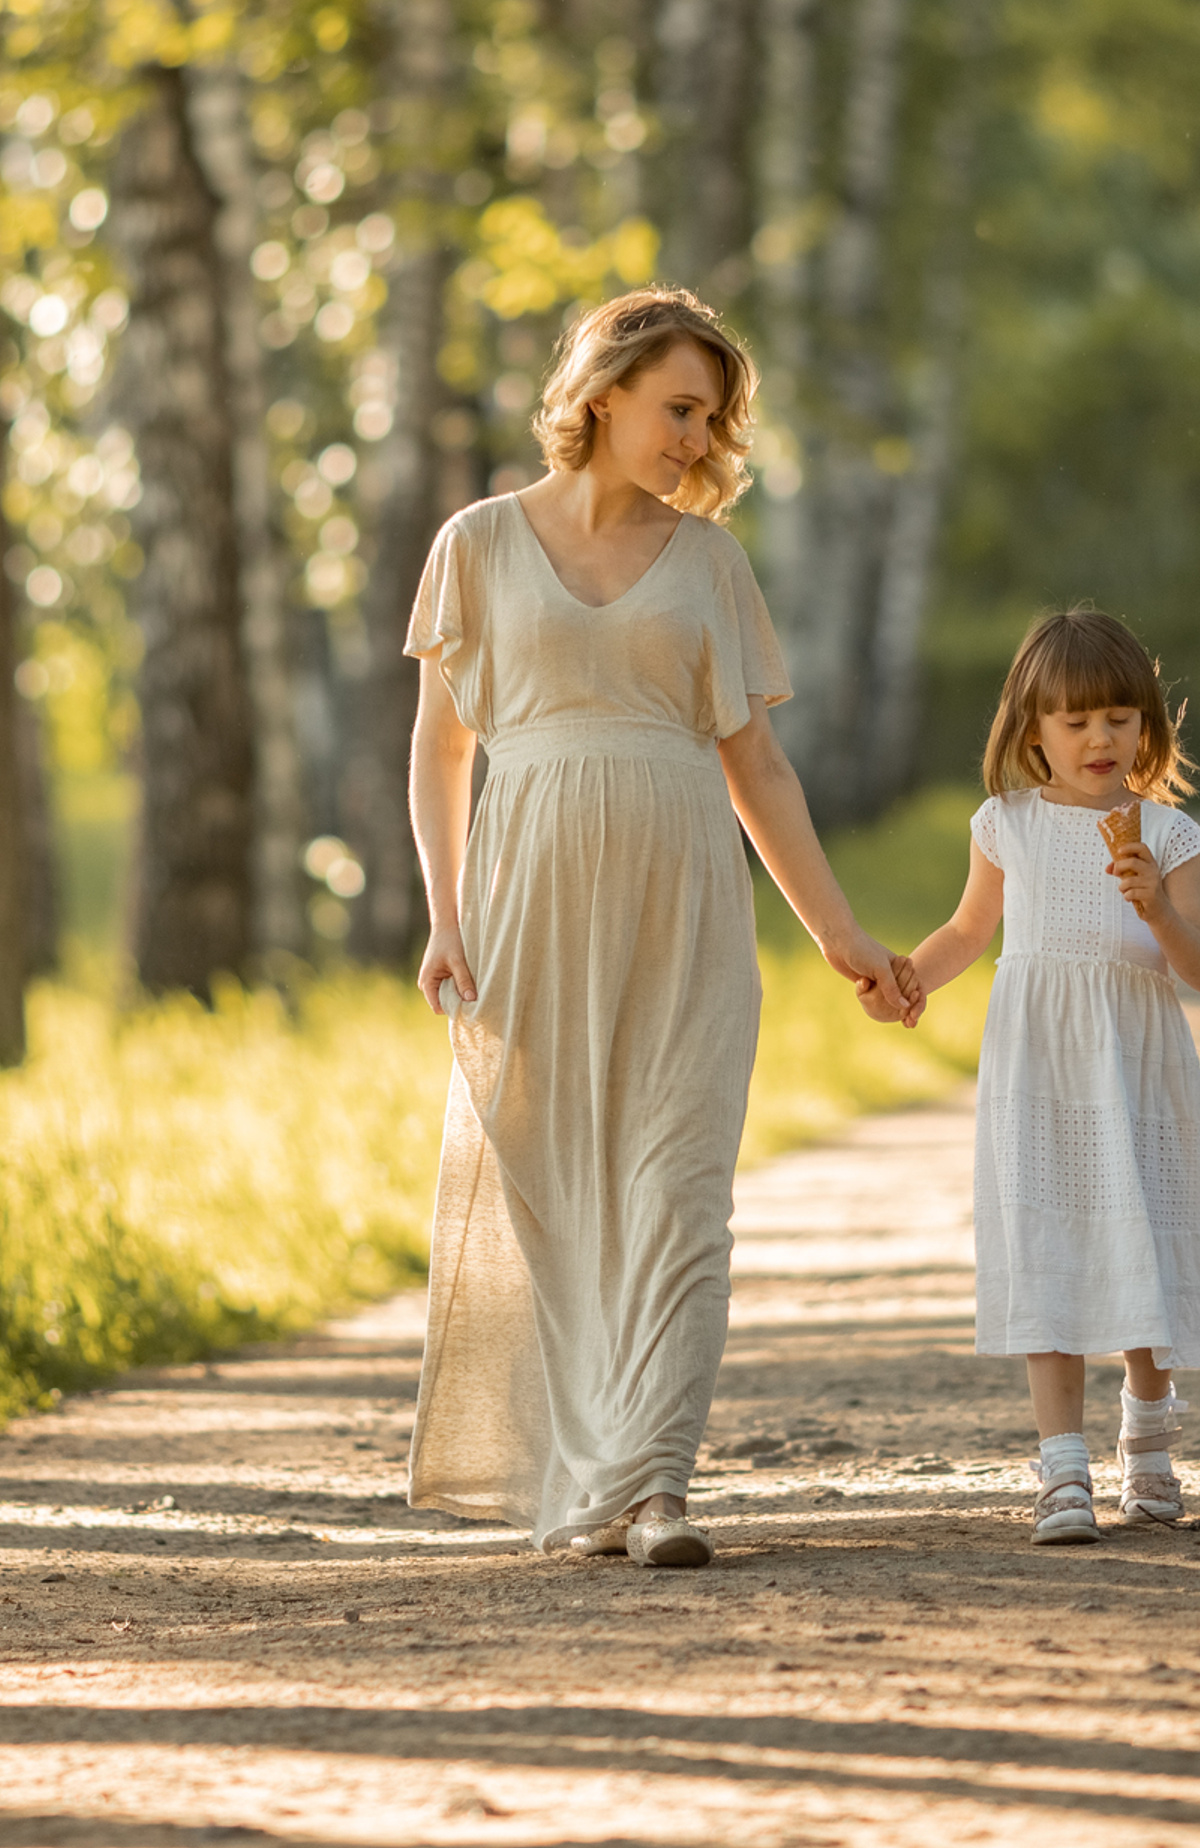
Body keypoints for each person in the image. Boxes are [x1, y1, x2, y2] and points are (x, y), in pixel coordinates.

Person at [403, 285, 919, 1568]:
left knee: (679, 1190)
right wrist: (444, 914)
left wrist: (839, 933)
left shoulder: (711, 564)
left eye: (715, 418)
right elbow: (438, 747)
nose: (697, 438)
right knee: (559, 1194)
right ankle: (591, 1473)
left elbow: (763, 771)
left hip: (686, 901)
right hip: (528, 909)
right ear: (604, 392)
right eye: (680, 407)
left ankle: (656, 1487)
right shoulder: (475, 541)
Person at [904, 608, 1200, 1543]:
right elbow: (969, 931)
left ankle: (1151, 1437)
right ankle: (1061, 1468)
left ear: (1147, 729)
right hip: (1040, 1071)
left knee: (1144, 1239)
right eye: (1076, 720)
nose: (1100, 739)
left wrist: (1159, 909)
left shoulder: (1167, 836)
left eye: (1121, 718)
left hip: (1134, 1071)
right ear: (1031, 728)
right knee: (1047, 1239)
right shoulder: (1005, 825)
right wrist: (905, 980)